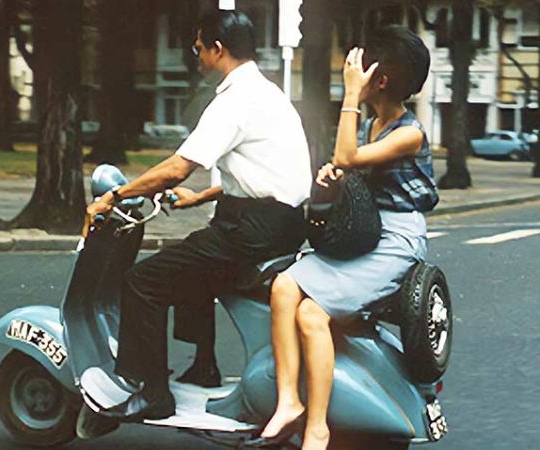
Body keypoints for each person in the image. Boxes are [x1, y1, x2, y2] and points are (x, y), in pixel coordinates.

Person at [84, 10, 311, 422]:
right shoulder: (270, 93)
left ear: (217, 49)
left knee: (142, 282)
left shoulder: (234, 100)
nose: (196, 55)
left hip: (250, 230)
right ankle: (203, 366)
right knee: (190, 260)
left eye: (198, 47)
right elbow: (266, 172)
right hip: (280, 224)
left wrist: (114, 196)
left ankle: (150, 393)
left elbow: (177, 166)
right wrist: (201, 198)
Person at [254, 26, 439, 450]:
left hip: (395, 240)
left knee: (311, 315)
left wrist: (350, 97)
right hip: (363, 230)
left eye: (359, 66)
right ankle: (288, 403)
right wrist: (333, 178)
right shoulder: (372, 123)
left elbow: (347, 156)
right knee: (283, 286)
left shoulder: (409, 133)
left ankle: (318, 428)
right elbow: (346, 167)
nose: (350, 70)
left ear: (382, 78)